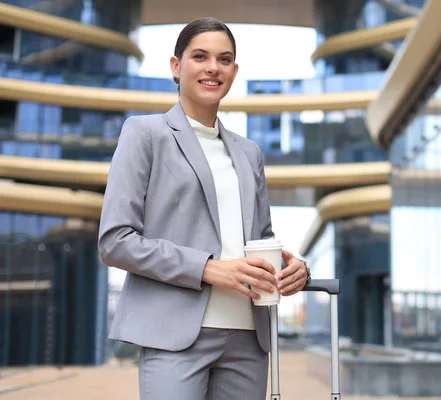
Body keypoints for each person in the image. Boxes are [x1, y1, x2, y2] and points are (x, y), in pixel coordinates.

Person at [97, 17, 310, 400]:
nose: (213, 67)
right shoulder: (145, 135)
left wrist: (293, 267)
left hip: (248, 339)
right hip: (173, 334)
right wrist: (209, 269)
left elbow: (258, 241)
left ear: (234, 71)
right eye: (200, 56)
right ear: (176, 67)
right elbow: (116, 241)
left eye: (224, 59)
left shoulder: (249, 153)